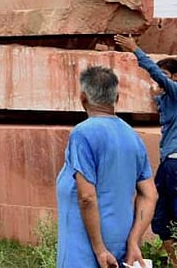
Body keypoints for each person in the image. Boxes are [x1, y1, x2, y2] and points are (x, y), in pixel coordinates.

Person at [56, 65, 156, 268]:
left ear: (83, 98)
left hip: (86, 253)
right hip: (119, 251)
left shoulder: (83, 134)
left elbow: (87, 197)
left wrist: (100, 250)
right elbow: (150, 195)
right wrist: (134, 241)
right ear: (116, 98)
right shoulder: (133, 137)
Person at [115, 33, 177, 267]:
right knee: (161, 220)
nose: (159, 84)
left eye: (166, 79)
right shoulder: (166, 101)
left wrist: (135, 49)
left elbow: (155, 73)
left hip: (174, 163)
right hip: (167, 164)